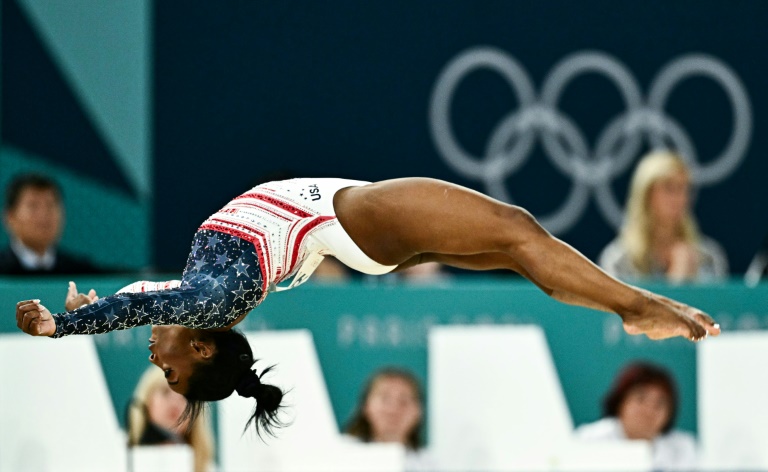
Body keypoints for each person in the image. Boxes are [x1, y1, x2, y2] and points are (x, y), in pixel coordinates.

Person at [15, 177, 721, 436]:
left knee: (515, 246)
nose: (155, 364)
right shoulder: (214, 300)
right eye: (169, 375)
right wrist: (68, 323)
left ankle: (629, 304)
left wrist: (80, 309)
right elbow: (150, 308)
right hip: (350, 220)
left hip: (352, 236)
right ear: (201, 347)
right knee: (515, 231)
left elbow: (141, 302)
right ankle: (634, 305)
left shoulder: (194, 307)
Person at [598, 151, 728, 283]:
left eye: (684, 189)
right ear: (646, 194)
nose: (681, 199)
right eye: (669, 188)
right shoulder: (618, 260)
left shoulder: (709, 257)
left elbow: (718, 303)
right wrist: (678, 277)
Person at [575, 362, 698, 471]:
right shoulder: (587, 441)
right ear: (620, 403)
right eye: (641, 399)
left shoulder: (683, 449)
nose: (649, 410)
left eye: (659, 403)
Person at [0, 172, 105, 275]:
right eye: (33, 206)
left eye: (50, 205)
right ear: (10, 217)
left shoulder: (81, 274)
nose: (43, 215)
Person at [345, 367, 438, 471]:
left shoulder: (431, 465)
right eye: (385, 399)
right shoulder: (341, 455)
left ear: (418, 411)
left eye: (404, 401)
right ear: (366, 406)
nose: (393, 409)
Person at [127, 366, 215, 472]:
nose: (175, 401)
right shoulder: (119, 453)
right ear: (146, 400)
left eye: (185, 395)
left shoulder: (209, 467)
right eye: (165, 392)